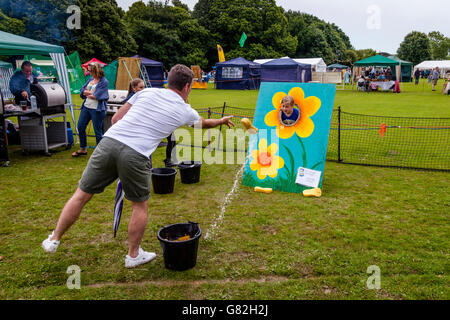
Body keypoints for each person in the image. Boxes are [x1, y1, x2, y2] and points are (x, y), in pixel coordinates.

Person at [41, 64, 235, 268]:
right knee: (139, 206)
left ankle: (54, 239)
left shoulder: (146, 92)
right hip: (136, 153)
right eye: (192, 87)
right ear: (187, 86)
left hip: (108, 143)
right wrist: (221, 120)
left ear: (169, 81)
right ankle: (133, 255)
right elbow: (203, 123)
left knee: (81, 195)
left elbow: (116, 118)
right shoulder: (185, 111)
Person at [72, 62, 109, 157]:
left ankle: (100, 152)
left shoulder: (104, 81)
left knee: (97, 131)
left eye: (90, 71)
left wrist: (87, 93)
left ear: (95, 70)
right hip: (86, 107)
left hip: (97, 109)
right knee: (80, 127)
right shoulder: (91, 79)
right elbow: (82, 90)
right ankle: (83, 148)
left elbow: (97, 96)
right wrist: (89, 93)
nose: (88, 72)